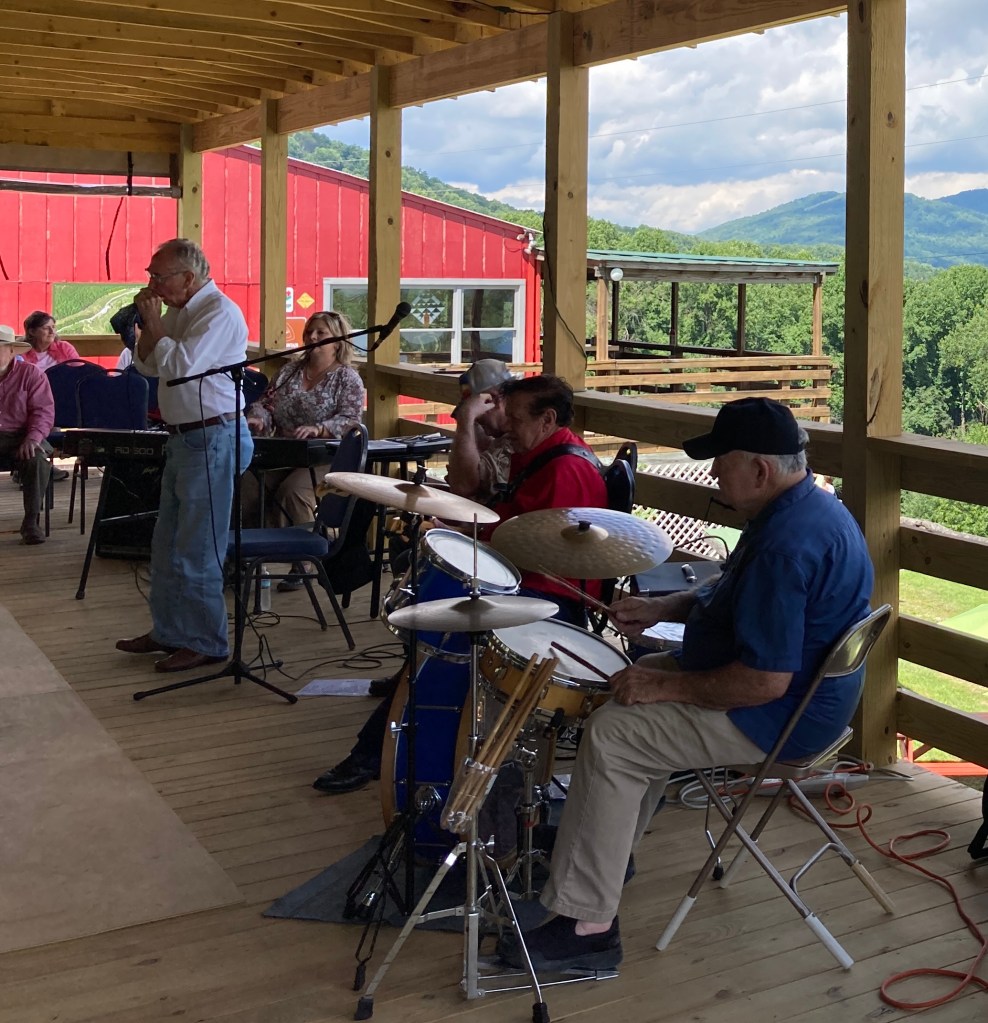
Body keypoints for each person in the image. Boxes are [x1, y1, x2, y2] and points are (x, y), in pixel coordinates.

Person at [500, 397, 874, 973]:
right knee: (628, 688)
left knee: (615, 734)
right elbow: (729, 591)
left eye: (722, 460)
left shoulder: (785, 547)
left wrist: (662, 688)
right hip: (800, 694)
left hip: (781, 714)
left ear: (760, 469)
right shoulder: (807, 508)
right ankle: (604, 849)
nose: (714, 471)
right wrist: (664, 606)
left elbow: (763, 681)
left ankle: (587, 925)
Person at [312, 373, 608, 794]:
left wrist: (458, 534)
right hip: (523, 580)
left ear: (547, 419)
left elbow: (528, 547)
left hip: (549, 598)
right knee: (438, 636)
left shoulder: (565, 469)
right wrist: (454, 529)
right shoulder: (542, 453)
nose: (506, 427)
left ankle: (377, 753)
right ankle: (398, 741)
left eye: (516, 418)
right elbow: (511, 525)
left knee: (446, 641)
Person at [115, 238, 254, 673]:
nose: (152, 283)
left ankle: (206, 641)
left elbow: (179, 369)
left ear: (188, 277)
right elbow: (149, 367)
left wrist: (156, 325)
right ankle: (170, 631)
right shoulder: (177, 312)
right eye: (151, 275)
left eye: (159, 276)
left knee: (197, 548)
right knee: (166, 545)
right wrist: (147, 327)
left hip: (213, 437)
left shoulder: (219, 313)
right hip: (183, 438)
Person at [244, 310, 365, 532]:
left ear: (337, 341)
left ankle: (303, 551)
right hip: (285, 452)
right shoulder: (288, 372)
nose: (312, 337)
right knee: (248, 486)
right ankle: (252, 549)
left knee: (293, 493)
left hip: (325, 457)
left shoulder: (347, 378)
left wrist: (319, 429)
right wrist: (258, 419)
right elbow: (266, 403)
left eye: (321, 332)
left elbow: (351, 420)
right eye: (309, 332)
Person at [0, 324, 54, 545]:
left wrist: (32, 438)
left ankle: (31, 521)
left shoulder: (31, 374)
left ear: (12, 350)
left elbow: (43, 412)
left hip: (21, 436)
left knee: (36, 459)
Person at [445, 358, 515, 501]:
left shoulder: (517, 437)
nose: (477, 420)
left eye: (477, 409)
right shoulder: (497, 433)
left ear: (492, 399)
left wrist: (467, 418)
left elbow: (463, 487)